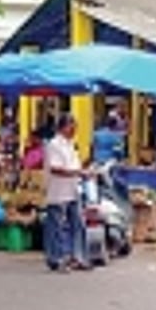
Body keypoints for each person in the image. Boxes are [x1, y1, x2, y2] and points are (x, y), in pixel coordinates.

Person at [44, 115, 91, 273]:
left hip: (73, 189)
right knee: (57, 227)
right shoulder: (54, 145)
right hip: (58, 191)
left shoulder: (70, 145)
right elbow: (55, 168)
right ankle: (56, 259)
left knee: (78, 224)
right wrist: (78, 172)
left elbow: (73, 164)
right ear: (63, 127)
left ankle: (77, 257)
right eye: (72, 127)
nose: (74, 130)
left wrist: (84, 171)